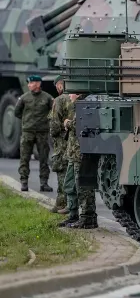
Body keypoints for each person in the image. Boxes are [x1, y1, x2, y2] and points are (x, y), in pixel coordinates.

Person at [59, 92, 98, 229]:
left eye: (72, 93)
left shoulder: (85, 105)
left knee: (83, 188)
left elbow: (79, 126)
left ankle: (88, 217)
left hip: (81, 154)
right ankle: (73, 214)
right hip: (73, 154)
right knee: (69, 185)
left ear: (79, 94)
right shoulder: (77, 106)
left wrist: (67, 123)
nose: (69, 95)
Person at [14, 74, 53, 192]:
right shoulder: (24, 98)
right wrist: (27, 122)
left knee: (44, 159)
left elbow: (53, 112)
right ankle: (24, 181)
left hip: (42, 132)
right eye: (29, 83)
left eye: (31, 83)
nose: (29, 85)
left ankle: (44, 183)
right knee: (24, 158)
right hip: (27, 132)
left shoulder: (47, 98)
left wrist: (46, 122)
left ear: (38, 84)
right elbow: (17, 112)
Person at [48, 76, 69, 214]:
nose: (57, 88)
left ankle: (61, 203)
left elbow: (55, 125)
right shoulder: (78, 97)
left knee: (62, 171)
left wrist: (53, 133)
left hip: (62, 142)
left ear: (60, 85)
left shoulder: (59, 100)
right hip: (75, 141)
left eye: (57, 86)